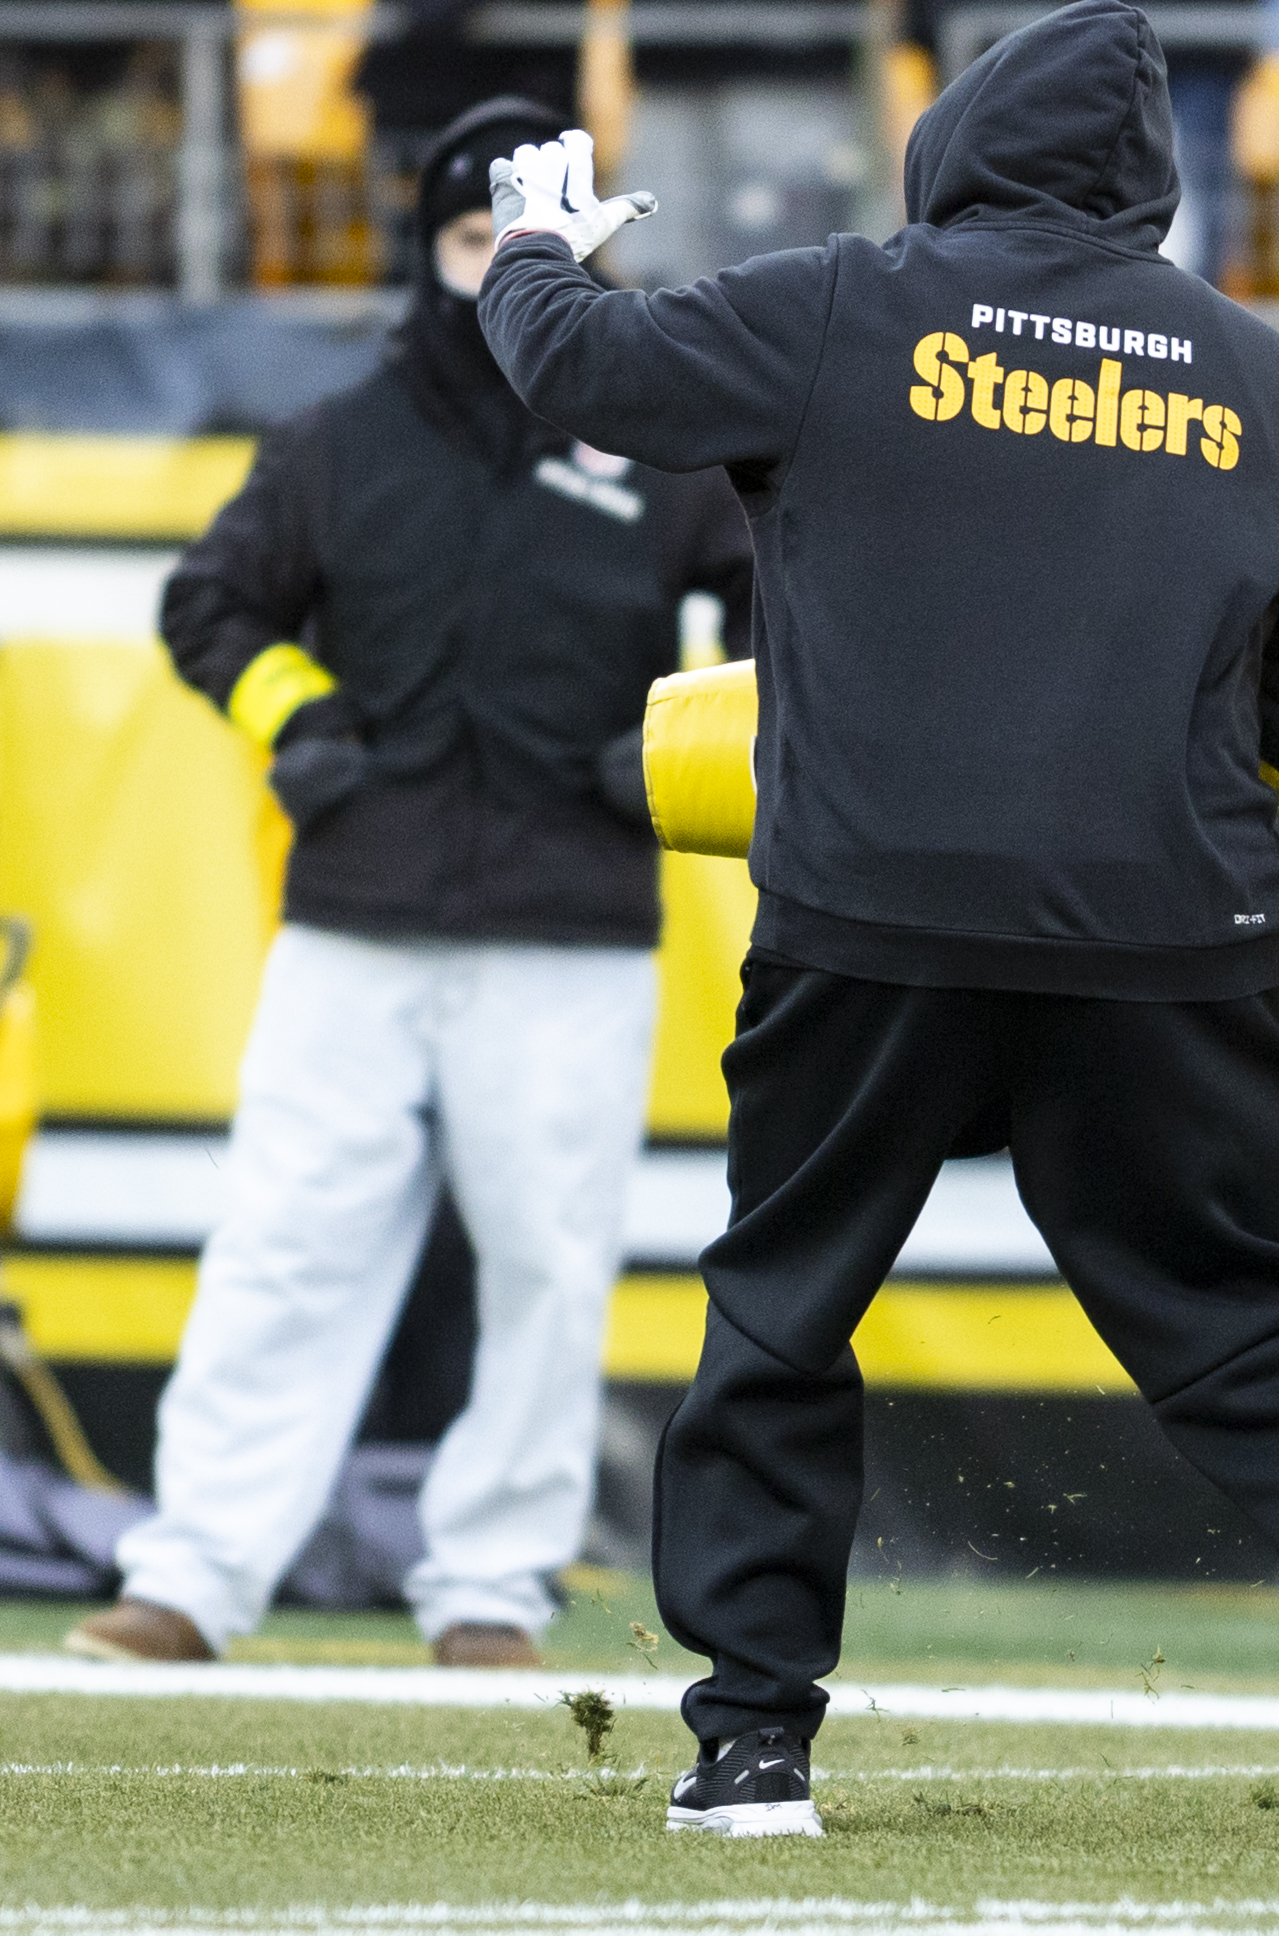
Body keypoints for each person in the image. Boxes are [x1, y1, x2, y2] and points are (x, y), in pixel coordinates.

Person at [472, 0, 1279, 1851]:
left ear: (958, 137)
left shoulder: (844, 297)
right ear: (1148, 176)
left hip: (876, 914)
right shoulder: (1243, 361)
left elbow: (576, 370)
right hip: (1172, 928)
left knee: (786, 1310)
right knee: (1249, 1331)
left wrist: (534, 242)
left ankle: (754, 1746)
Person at [65, 97, 753, 1673]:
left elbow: (787, 613)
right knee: (285, 1241)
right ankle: (195, 1576)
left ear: (589, 245)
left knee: (547, 1262)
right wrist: (294, 720)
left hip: (572, 928)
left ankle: (490, 1593)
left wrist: (672, 750)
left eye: (532, 236)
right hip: (354, 921)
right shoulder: (336, 439)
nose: (499, 267)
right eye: (470, 236)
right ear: (429, 246)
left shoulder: (660, 440)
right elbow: (208, 609)